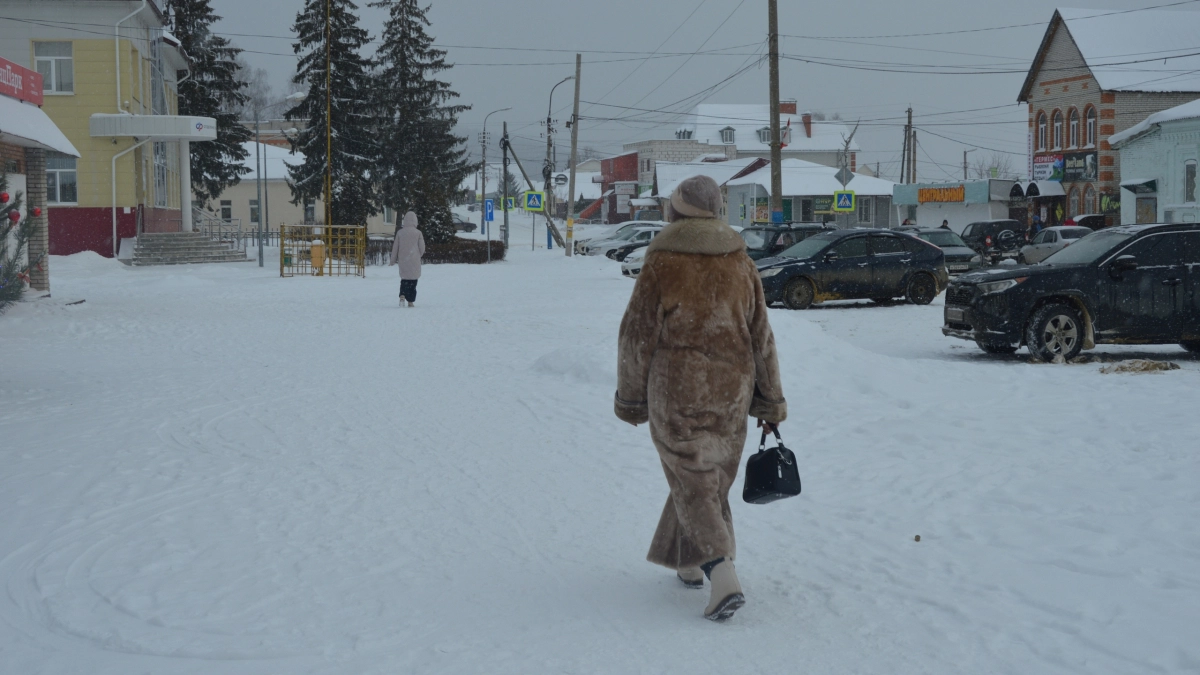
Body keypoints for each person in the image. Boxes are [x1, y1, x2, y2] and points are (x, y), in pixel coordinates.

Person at [615, 175, 787, 622]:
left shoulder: (662, 262)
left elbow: (636, 334)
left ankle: (719, 569)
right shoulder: (740, 262)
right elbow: (760, 335)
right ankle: (688, 563)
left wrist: (630, 398)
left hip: (677, 389)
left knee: (692, 475)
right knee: (704, 478)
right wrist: (769, 399)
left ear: (677, 212)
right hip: (732, 390)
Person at [389, 211, 426, 307]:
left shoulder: (400, 233)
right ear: (415, 221)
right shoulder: (418, 233)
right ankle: (410, 301)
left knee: (404, 280)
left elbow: (395, 247)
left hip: (403, 260)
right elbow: (422, 248)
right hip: (414, 259)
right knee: (413, 282)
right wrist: (418, 255)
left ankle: (402, 295)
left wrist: (393, 260)